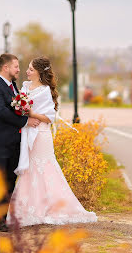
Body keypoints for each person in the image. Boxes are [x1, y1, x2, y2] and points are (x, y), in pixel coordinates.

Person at [6, 56, 97, 228]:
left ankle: (53, 207)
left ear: (39, 73)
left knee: (44, 167)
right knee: (29, 169)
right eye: (28, 68)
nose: (27, 71)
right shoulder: (24, 87)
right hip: (27, 132)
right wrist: (21, 111)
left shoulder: (45, 91)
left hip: (41, 134)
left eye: (31, 69)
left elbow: (49, 117)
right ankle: (27, 209)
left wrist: (30, 113)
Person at [0, 53, 40, 231]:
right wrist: (25, 121)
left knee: (10, 180)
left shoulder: (13, 86)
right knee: (1, 181)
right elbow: (0, 111)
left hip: (15, 143)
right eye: (16, 66)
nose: (18, 70)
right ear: (5, 67)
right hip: (1, 143)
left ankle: (6, 218)